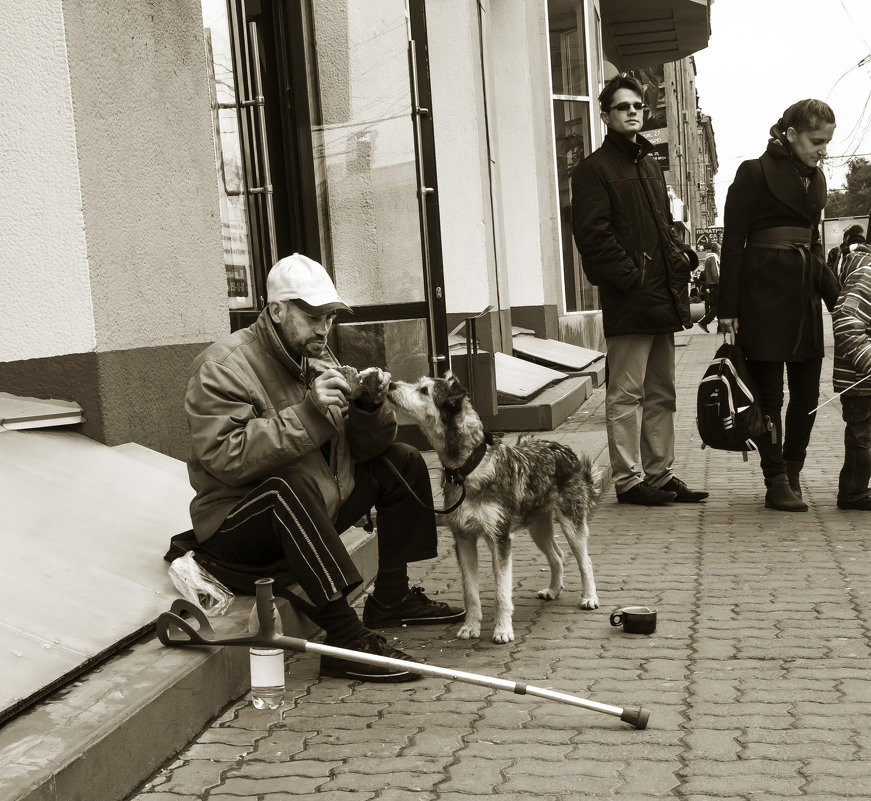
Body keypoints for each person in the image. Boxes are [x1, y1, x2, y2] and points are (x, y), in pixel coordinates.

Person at [183, 252, 463, 682]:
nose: (323, 327)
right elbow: (228, 458)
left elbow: (364, 449)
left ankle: (391, 598)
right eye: (312, 316)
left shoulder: (319, 357)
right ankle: (345, 641)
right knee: (284, 489)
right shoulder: (221, 367)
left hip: (312, 506)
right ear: (276, 310)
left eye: (329, 316)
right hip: (237, 529)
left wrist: (369, 408)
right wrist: (310, 413)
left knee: (401, 461)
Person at [571, 74, 708, 507]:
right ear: (605, 115)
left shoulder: (649, 164)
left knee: (662, 391)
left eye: (637, 106)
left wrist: (681, 255)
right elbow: (593, 238)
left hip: (660, 296)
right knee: (626, 394)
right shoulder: (594, 169)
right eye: (622, 106)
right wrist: (633, 278)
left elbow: (661, 226)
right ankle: (629, 481)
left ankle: (660, 473)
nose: (632, 111)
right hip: (630, 298)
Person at [718, 99, 839, 512]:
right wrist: (727, 312)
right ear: (790, 134)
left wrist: (836, 297)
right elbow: (732, 244)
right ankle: (774, 480)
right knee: (770, 397)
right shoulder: (753, 172)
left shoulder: (817, 179)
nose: (822, 149)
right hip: (762, 297)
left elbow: (814, 244)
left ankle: (794, 470)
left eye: (826, 142)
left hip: (804, 296)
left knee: (807, 395)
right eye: (815, 140)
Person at [832, 241, 871, 510]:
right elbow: (846, 323)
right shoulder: (866, 275)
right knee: (862, 437)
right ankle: (853, 492)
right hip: (860, 378)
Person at [696, 242, 720, 332]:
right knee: (718, 307)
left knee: (715, 307)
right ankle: (703, 322)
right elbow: (715, 273)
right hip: (716, 284)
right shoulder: (714, 258)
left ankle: (720, 328)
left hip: (711, 285)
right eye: (720, 249)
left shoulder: (708, 258)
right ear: (718, 250)